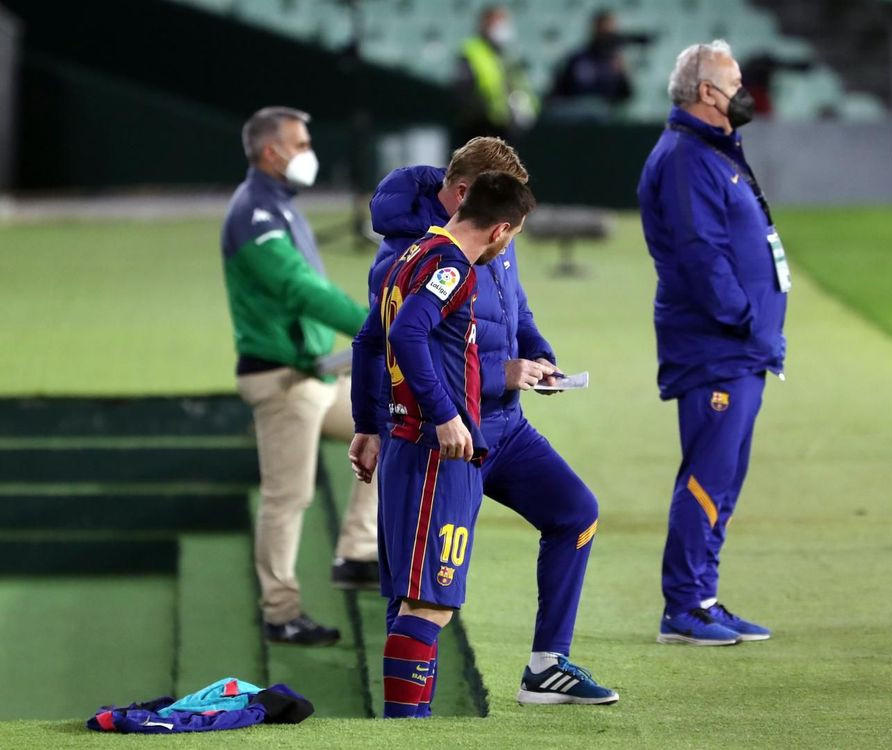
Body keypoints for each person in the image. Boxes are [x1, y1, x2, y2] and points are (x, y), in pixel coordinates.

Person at [360, 137, 618, 705]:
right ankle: (405, 716)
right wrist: (373, 422)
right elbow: (391, 344)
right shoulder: (417, 254)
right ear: (466, 195)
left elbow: (516, 306)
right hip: (447, 433)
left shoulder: (492, 231)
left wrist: (539, 357)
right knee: (422, 587)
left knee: (575, 513)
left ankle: (547, 667)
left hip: (503, 427)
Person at [347, 172, 537, 718]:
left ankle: (406, 721)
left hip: (406, 442)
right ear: (501, 228)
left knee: (413, 594)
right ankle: (408, 725)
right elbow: (406, 334)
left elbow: (369, 339)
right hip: (436, 451)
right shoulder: (453, 267)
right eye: (514, 234)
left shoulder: (412, 254)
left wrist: (368, 422)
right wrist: (448, 415)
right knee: (431, 601)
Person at [637, 41, 788, 646]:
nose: (744, 92)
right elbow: (702, 255)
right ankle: (684, 606)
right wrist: (748, 319)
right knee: (706, 477)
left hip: (738, 347)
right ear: (707, 92)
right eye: (736, 82)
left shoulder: (709, 152)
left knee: (722, 478)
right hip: (716, 346)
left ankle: (702, 596)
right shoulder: (686, 158)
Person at [220, 106, 379, 647]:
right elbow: (299, 290)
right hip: (284, 379)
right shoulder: (255, 214)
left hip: (317, 373)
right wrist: (376, 322)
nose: (309, 151)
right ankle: (280, 612)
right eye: (301, 142)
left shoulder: (279, 207)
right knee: (287, 498)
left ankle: (358, 553)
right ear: (272, 152)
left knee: (393, 425)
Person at [455, 6, 538, 142]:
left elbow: (519, 85)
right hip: (480, 129)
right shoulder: (472, 51)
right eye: (498, 23)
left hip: (506, 128)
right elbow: (465, 93)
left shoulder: (507, 54)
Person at [545, 9, 641, 121]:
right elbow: (557, 93)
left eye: (610, 33)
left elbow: (627, 96)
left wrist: (623, 72)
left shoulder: (616, 62)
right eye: (603, 32)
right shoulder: (577, 59)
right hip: (577, 119)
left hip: (606, 119)